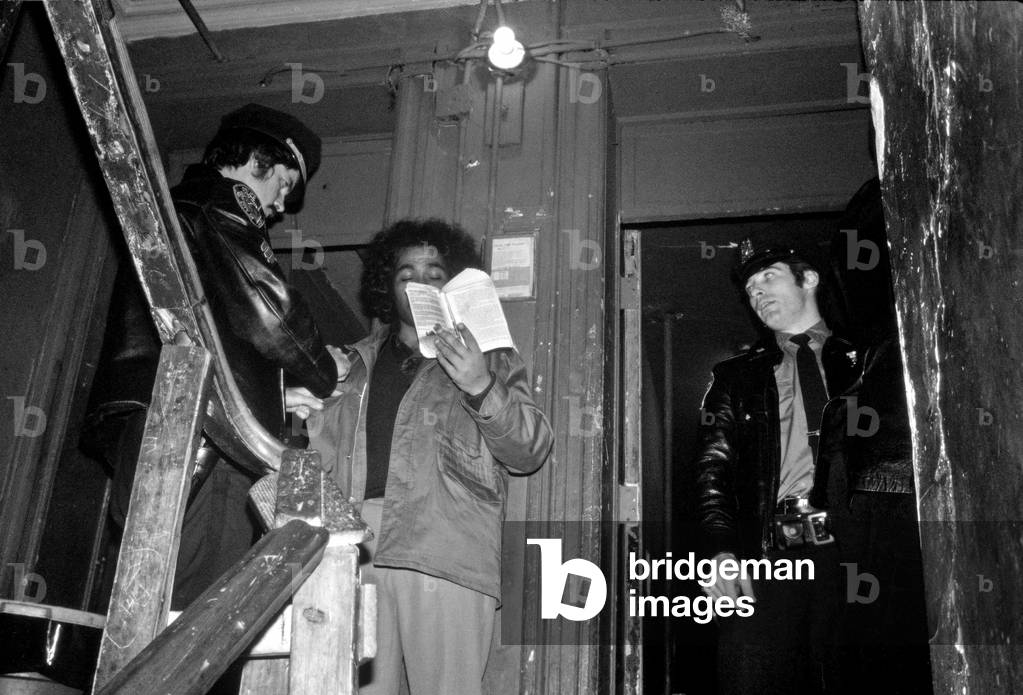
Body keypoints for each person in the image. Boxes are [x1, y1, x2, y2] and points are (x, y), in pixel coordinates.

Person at [82, 103, 349, 611]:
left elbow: (216, 335)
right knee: (199, 617)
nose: (279, 205)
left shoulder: (182, 207)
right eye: (284, 185)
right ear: (256, 162)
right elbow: (268, 313)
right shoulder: (221, 206)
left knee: (155, 605)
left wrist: (275, 393)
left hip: (167, 428)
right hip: (204, 441)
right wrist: (324, 370)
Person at [294, 218, 554, 695]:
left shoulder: (492, 359)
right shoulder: (348, 364)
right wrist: (303, 401)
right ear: (387, 289)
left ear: (452, 285)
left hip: (446, 546)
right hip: (355, 548)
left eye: (434, 272)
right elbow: (309, 452)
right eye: (405, 274)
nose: (420, 282)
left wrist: (481, 384)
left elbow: (531, 449)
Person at [692, 224, 929, 695]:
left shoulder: (873, 361)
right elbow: (711, 473)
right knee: (754, 672)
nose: (757, 293)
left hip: (862, 551)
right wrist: (720, 552)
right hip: (772, 553)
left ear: (809, 279)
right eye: (750, 290)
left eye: (769, 278)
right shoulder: (735, 378)